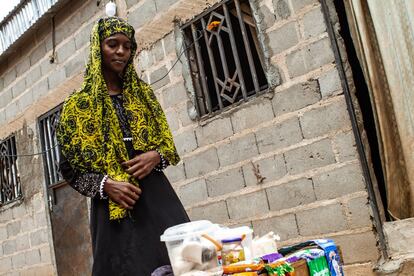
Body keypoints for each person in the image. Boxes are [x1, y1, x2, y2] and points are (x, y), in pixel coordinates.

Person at [57, 17, 189, 275]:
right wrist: (106, 185)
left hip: (155, 195)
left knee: (183, 261)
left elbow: (167, 145)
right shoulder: (77, 105)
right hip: (113, 204)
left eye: (127, 46)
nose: (121, 51)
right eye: (112, 44)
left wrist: (155, 156)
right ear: (98, 48)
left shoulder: (142, 94)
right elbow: (69, 168)